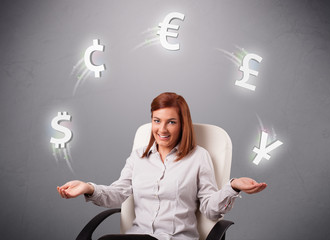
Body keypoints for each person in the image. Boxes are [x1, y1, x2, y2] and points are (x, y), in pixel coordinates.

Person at [57, 92, 267, 240]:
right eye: (157, 121)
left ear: (183, 124)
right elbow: (118, 193)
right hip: (138, 237)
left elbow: (210, 210)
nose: (162, 129)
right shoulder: (139, 156)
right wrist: (88, 188)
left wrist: (233, 187)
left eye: (171, 122)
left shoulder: (199, 157)